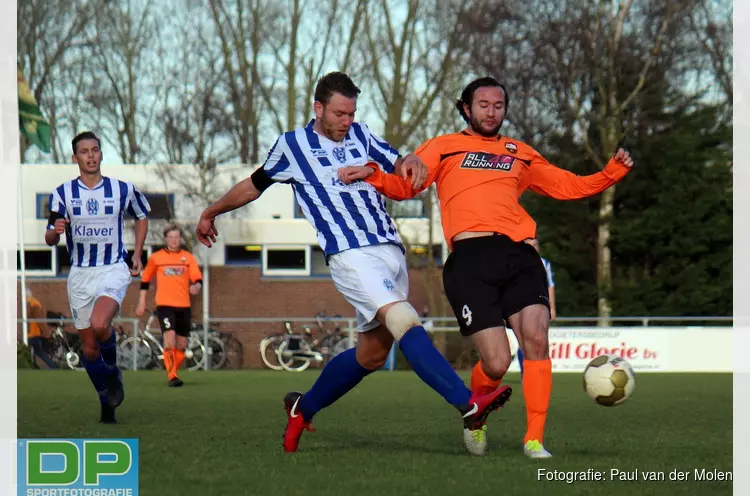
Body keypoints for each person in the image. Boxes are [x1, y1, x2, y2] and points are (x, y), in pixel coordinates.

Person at [195, 71, 512, 455]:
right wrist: (211, 211)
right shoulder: (292, 146)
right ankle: (468, 405)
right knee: (404, 319)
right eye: (340, 114)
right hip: (349, 254)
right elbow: (253, 185)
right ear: (319, 108)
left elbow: (399, 163)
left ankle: (302, 408)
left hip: (390, 250)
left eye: (352, 113)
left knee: (372, 354)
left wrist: (411, 159)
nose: (347, 122)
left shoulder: (362, 135)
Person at [337, 76, 634, 458]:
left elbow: (568, 185)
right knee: (497, 361)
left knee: (537, 338)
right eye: (483, 105)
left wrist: (611, 173)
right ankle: (475, 415)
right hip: (470, 261)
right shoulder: (444, 147)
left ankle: (534, 440)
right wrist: (375, 175)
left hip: (519, 255)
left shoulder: (520, 153)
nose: (491, 112)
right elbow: (407, 184)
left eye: (498, 106)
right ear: (466, 108)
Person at [45, 131, 150, 424]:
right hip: (80, 274)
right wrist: (56, 230)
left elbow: (142, 216)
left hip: (112, 268)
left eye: (95, 150)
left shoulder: (121, 189)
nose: (90, 156)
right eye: (84, 151)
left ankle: (114, 371)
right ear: (75, 157)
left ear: (101, 154)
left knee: (101, 324)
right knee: (89, 348)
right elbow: (50, 237)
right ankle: (105, 399)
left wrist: (138, 254)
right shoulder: (62, 194)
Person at [136, 224, 203, 387]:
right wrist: (142, 301)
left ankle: (172, 371)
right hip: (165, 305)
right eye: (171, 237)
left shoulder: (188, 258)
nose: (174, 240)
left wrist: (197, 286)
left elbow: (197, 277)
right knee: (170, 340)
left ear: (180, 239)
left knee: (181, 345)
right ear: (166, 239)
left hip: (184, 306)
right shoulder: (156, 258)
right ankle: (172, 376)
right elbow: (145, 280)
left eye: (176, 237)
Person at [516, 237, 556, 375]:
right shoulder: (516, 264)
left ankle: (539, 372)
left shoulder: (545, 264)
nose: (533, 247)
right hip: (521, 307)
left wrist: (552, 308)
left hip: (541, 306)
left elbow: (550, 285)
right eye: (530, 245)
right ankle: (527, 372)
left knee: (540, 339)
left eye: (535, 244)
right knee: (524, 341)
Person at [26, 288, 56, 369]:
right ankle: (53, 367)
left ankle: (31, 367)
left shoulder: (33, 304)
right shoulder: (34, 303)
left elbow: (38, 319)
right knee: (39, 352)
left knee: (25, 351)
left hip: (32, 334)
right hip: (35, 333)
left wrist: (45, 332)